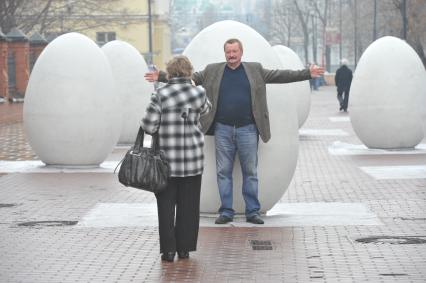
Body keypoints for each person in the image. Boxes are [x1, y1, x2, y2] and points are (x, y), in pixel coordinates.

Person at [145, 38, 324, 225]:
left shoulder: (255, 70)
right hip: (223, 129)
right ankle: (226, 211)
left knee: (250, 172)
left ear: (241, 52)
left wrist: (307, 74)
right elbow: (188, 79)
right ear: (225, 53)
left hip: (248, 129)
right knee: (223, 172)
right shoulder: (213, 70)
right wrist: (162, 77)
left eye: (234, 52)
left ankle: (253, 211)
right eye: (228, 52)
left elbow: (281, 75)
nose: (231, 55)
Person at [141, 55, 211, 262]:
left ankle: (168, 250)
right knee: (189, 207)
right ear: (189, 72)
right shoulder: (198, 92)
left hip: (166, 163)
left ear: (169, 72)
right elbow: (207, 110)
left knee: (165, 206)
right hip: (192, 161)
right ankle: (185, 249)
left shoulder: (161, 94)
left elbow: (148, 125)